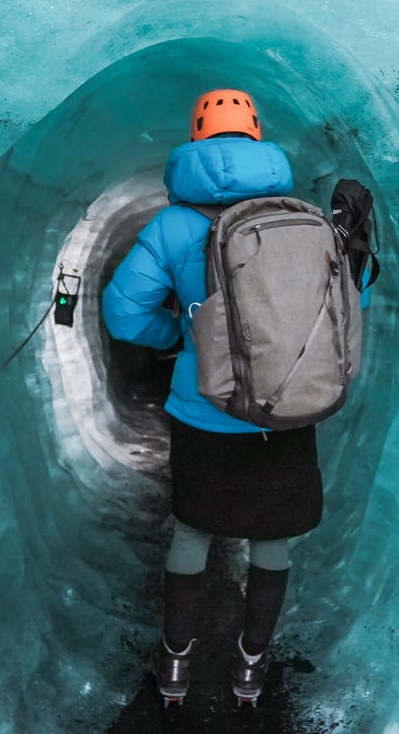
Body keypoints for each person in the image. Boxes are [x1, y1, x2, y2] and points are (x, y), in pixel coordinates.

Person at [101, 88, 324, 706]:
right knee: (272, 540)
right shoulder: (297, 216)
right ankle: (250, 668)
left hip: (204, 411)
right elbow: (337, 309)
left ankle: (176, 667)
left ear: (196, 137)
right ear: (258, 135)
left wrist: (178, 333)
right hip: (284, 410)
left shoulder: (173, 224)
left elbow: (123, 315)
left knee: (193, 533)